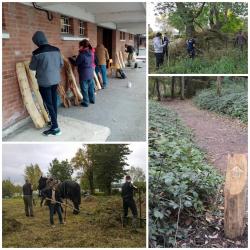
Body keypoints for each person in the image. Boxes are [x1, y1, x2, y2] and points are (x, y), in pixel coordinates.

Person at [30, 31, 63, 136]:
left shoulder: (36, 53)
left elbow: (32, 67)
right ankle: (54, 121)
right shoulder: (56, 50)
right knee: (53, 102)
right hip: (55, 80)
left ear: (37, 41)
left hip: (44, 82)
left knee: (48, 104)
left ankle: (55, 128)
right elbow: (61, 64)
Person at [75, 39, 95, 107]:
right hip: (90, 72)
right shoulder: (91, 52)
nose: (78, 47)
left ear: (82, 46)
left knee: (84, 89)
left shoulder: (82, 54)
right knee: (90, 88)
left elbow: (76, 63)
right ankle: (92, 99)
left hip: (84, 74)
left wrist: (71, 59)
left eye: (79, 46)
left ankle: (86, 102)